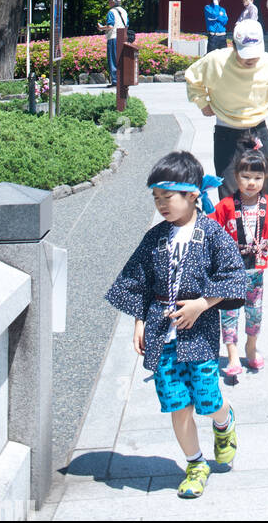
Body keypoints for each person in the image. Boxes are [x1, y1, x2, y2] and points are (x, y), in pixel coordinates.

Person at [105, 149, 248, 499]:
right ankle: (195, 463)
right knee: (177, 403)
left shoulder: (212, 233)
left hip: (198, 337)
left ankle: (223, 421)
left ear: (193, 194)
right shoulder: (155, 238)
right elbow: (137, 280)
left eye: (167, 197)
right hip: (162, 337)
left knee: (207, 398)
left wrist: (202, 303)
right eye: (156, 198)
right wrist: (139, 321)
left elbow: (234, 276)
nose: (161, 205)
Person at [211, 137, 268, 377]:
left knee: (255, 310)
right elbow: (210, 230)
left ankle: (251, 348)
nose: (252, 183)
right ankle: (232, 355)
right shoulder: (226, 206)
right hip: (229, 273)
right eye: (246, 177)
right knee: (229, 312)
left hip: (256, 271)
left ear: (265, 178)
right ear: (236, 176)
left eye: (258, 178)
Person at [184, 21, 268, 205]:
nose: (250, 60)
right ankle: (233, 231)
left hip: (258, 128)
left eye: (255, 55)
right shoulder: (216, 61)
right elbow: (193, 78)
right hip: (227, 130)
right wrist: (203, 103)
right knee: (229, 186)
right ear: (233, 46)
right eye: (245, 55)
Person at [97, 0, 128, 87]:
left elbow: (110, 26)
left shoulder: (111, 12)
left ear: (114, 1)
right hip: (122, 37)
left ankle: (115, 81)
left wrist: (101, 28)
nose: (108, 1)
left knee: (113, 59)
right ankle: (122, 80)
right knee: (120, 59)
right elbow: (126, 25)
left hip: (113, 37)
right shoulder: (124, 11)